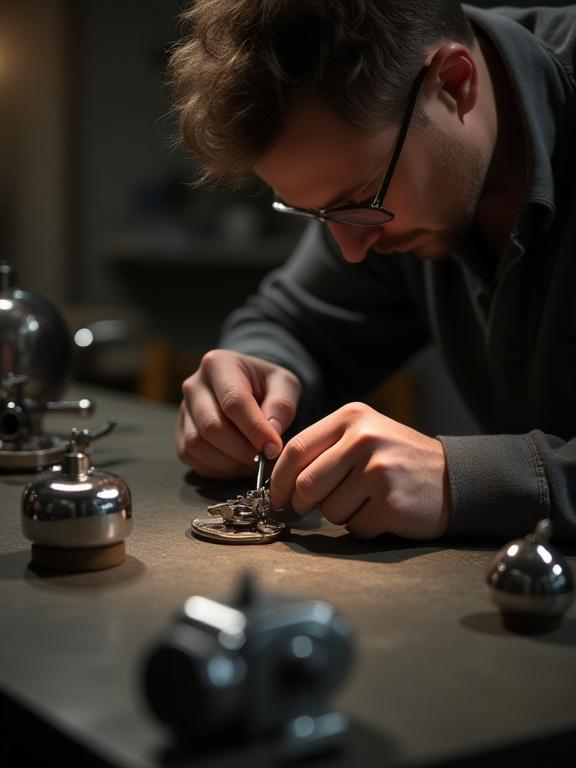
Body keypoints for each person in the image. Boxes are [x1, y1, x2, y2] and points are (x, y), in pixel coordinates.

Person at [170, 0, 576, 543]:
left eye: (359, 199)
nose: (352, 249)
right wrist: (258, 376)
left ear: (456, 83)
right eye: (315, 213)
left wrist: (462, 478)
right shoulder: (382, 183)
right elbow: (293, 323)